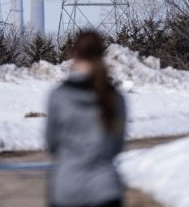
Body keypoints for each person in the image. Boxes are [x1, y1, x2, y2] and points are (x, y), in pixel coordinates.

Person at [45, 31, 127, 207]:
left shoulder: (58, 96)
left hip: (67, 188)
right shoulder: (114, 98)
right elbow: (116, 146)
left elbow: (51, 143)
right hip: (105, 188)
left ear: (75, 54)